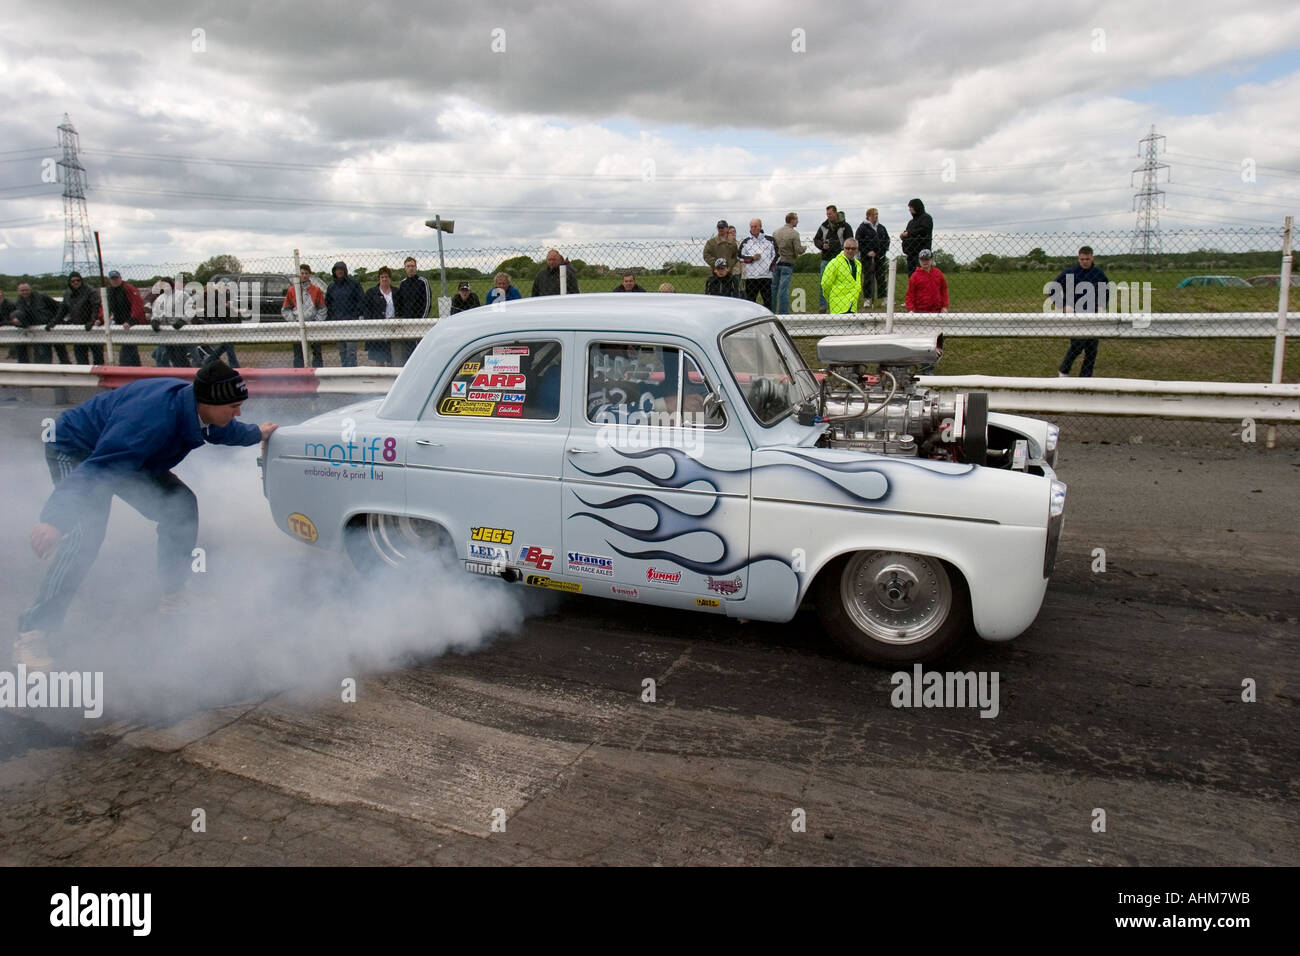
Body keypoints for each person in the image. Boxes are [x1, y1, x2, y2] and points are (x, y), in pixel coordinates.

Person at [14, 360, 278, 668]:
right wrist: (56, 520)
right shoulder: (152, 420)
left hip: (125, 455)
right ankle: (33, 632)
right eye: (233, 406)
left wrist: (255, 434)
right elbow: (101, 468)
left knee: (179, 504)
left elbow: (222, 429)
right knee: (86, 534)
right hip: (77, 449)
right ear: (208, 401)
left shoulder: (197, 408)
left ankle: (174, 595)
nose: (238, 413)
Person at [1053, 245, 1109, 378]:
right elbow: (1053, 288)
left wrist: (1101, 307)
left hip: (1093, 316)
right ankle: (1064, 371)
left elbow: (1105, 292)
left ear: (1092, 258)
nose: (1085, 261)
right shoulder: (1070, 273)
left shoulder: (1099, 274)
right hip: (1075, 317)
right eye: (1082, 259)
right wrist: (1063, 306)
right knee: (1077, 345)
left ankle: (1085, 378)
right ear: (1078, 258)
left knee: (1092, 350)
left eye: (1087, 259)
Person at [12, 283, 70, 364]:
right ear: (18, 291)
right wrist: (18, 322)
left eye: (26, 290)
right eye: (22, 290)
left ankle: (66, 367)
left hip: (52, 326)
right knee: (45, 353)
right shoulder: (19, 302)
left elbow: (57, 307)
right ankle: (47, 370)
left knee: (60, 349)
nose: (25, 292)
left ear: (30, 290)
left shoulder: (42, 296)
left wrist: (55, 321)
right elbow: (23, 317)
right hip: (40, 330)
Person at [282, 263, 326, 368]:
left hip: (313, 325)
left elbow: (322, 309)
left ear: (309, 275)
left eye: (306, 273)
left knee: (317, 352)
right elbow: (285, 309)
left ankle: (318, 374)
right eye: (302, 273)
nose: (304, 275)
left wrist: (316, 322)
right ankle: (299, 376)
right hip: (297, 325)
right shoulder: (292, 290)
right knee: (298, 353)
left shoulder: (317, 290)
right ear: (298, 275)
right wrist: (294, 321)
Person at [55, 272, 104, 364]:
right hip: (78, 328)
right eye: (73, 281)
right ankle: (85, 374)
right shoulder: (67, 294)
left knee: (98, 355)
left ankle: (99, 375)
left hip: (92, 327)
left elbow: (96, 307)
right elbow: (63, 310)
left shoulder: (91, 291)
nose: (75, 282)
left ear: (81, 281)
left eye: (78, 280)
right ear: (69, 282)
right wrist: (54, 321)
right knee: (80, 355)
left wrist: (92, 321)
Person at [99, 270, 146, 366]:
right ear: (110, 280)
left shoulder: (128, 288)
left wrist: (131, 320)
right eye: (113, 279)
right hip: (120, 323)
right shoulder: (109, 291)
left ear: (120, 278)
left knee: (126, 352)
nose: (115, 281)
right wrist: (101, 319)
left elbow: (137, 305)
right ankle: (136, 369)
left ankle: (125, 368)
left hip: (132, 323)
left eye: (116, 278)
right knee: (130, 350)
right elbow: (105, 308)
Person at [813, 204, 853, 312]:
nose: (828, 216)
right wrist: (822, 245)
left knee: (841, 283)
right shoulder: (824, 226)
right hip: (826, 258)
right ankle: (823, 306)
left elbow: (850, 241)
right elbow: (816, 239)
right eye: (827, 214)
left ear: (836, 213)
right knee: (824, 283)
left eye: (830, 213)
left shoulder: (845, 226)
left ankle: (841, 306)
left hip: (841, 258)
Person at [324, 261, 364, 367]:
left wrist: (355, 315)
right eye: (337, 270)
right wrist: (332, 318)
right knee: (342, 350)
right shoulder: (331, 287)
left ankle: (352, 371)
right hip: (337, 322)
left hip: (350, 322)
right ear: (334, 271)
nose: (339, 271)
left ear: (345, 271)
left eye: (341, 269)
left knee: (351, 350)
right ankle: (344, 369)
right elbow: (328, 303)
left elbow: (361, 301)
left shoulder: (354, 284)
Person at [393, 256, 430, 365]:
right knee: (408, 350)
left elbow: (427, 302)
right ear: (405, 268)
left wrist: (422, 320)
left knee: (419, 349)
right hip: (406, 323)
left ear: (416, 267)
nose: (410, 268)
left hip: (420, 322)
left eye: (412, 266)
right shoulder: (403, 284)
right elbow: (400, 304)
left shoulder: (423, 282)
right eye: (408, 266)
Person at [360, 266, 398, 365]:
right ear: (379, 278)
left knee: (392, 359)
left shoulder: (396, 292)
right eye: (382, 277)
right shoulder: (371, 293)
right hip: (378, 328)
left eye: (386, 277)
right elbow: (366, 310)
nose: (384, 279)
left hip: (393, 328)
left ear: (390, 278)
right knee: (379, 360)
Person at [738, 218, 777, 309]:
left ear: (760, 227)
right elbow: (739, 256)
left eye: (755, 226)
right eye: (751, 227)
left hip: (766, 276)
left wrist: (770, 267)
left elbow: (776, 255)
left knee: (768, 301)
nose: (753, 228)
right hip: (751, 277)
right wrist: (751, 258)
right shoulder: (746, 242)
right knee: (750, 302)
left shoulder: (770, 240)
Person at [855, 208, 890, 307]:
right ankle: (867, 299)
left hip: (880, 257)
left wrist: (881, 252)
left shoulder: (881, 228)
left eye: (877, 214)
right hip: (867, 258)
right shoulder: (862, 228)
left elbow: (886, 241)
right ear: (868, 216)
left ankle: (884, 298)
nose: (876, 216)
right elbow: (858, 242)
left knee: (881, 278)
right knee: (868, 278)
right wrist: (867, 252)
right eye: (874, 214)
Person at [772, 212, 805, 314]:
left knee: (774, 288)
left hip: (776, 262)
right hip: (787, 262)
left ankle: (772, 310)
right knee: (783, 289)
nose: (797, 221)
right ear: (792, 220)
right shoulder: (794, 234)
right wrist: (805, 248)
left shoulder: (776, 232)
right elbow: (798, 249)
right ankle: (783, 312)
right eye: (796, 219)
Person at [820, 238, 863, 314]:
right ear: (843, 248)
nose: (850, 250)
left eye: (853, 248)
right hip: (838, 308)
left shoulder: (858, 264)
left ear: (857, 250)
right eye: (847, 248)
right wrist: (832, 299)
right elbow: (825, 284)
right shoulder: (834, 263)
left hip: (852, 306)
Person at [899, 198, 934, 275]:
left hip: (922, 254)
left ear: (916, 207)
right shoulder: (911, 222)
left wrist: (908, 233)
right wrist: (903, 235)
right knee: (912, 277)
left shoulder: (926, 218)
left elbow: (923, 230)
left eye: (911, 207)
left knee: (922, 276)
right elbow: (907, 232)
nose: (910, 210)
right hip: (911, 254)